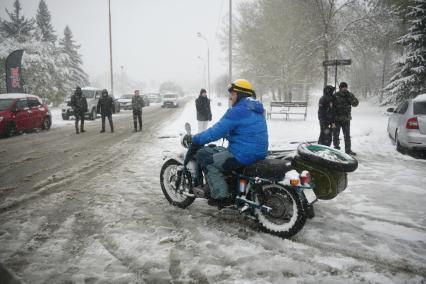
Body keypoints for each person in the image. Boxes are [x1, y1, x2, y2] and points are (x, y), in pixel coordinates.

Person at [184, 79, 268, 209]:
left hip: (242, 154)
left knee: (209, 162)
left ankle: (221, 196)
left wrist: (196, 139)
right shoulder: (257, 110)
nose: (230, 98)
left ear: (240, 95)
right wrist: (229, 133)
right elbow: (247, 131)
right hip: (259, 152)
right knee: (219, 152)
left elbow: (215, 132)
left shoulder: (236, 111)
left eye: (233, 94)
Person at [332, 82, 359, 155]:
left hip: (346, 119)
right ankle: (336, 149)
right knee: (335, 135)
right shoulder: (335, 95)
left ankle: (348, 150)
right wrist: (332, 119)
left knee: (347, 135)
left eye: (345, 87)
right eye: (343, 87)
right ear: (340, 88)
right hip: (336, 119)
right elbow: (331, 107)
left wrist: (350, 97)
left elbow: (356, 104)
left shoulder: (349, 95)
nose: (344, 88)